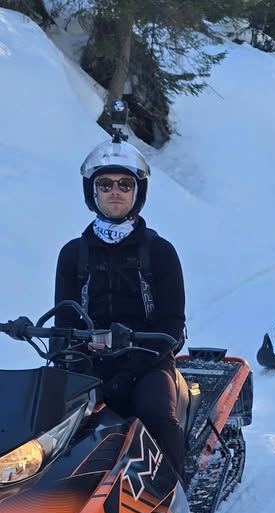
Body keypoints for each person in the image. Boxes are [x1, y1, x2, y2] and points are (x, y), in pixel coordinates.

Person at [54, 137, 187, 482]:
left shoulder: (160, 252)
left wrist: (129, 374)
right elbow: (62, 320)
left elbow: (172, 323)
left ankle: (176, 492)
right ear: (92, 191)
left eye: (125, 184)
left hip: (148, 362)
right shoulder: (73, 254)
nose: (115, 191)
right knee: (46, 417)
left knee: (155, 413)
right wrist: (69, 363)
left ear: (137, 192)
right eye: (106, 184)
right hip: (88, 362)